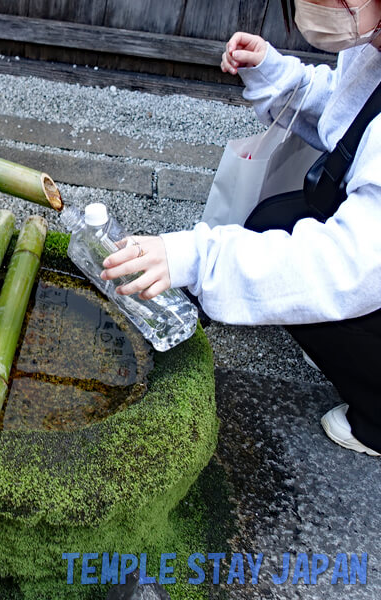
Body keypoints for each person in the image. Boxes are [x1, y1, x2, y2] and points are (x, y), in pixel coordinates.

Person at [100, 0, 381, 457]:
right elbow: (353, 107)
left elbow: (348, 266)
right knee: (273, 221)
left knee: (313, 284)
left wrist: (197, 257)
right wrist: (277, 74)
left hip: (368, 260)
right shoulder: (371, 33)